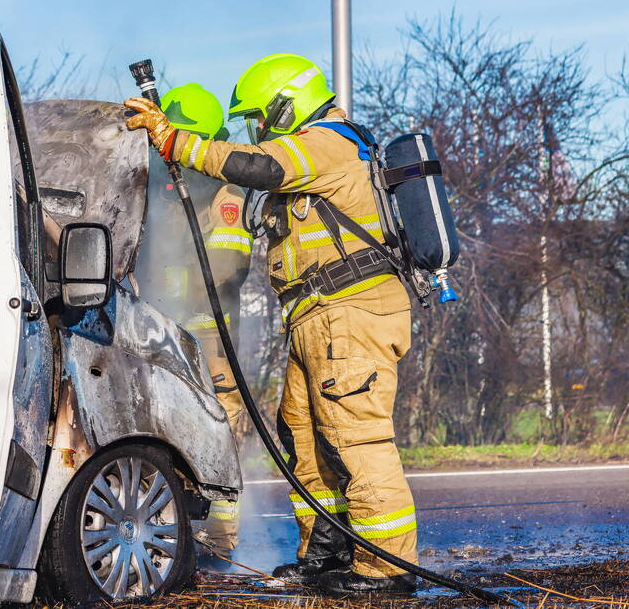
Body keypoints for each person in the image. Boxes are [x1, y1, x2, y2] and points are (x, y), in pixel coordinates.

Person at [125, 54, 417, 596]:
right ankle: (325, 555)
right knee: (305, 439)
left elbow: (256, 167)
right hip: (319, 318)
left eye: (261, 116)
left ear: (286, 104)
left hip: (351, 315)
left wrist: (174, 142)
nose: (258, 128)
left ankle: (388, 572)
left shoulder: (326, 142)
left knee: (357, 440)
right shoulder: (316, 151)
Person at [133, 83, 251, 562]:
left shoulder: (225, 193)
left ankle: (219, 547)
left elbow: (225, 267)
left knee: (218, 427)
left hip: (209, 339)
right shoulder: (160, 190)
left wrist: (165, 275)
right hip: (159, 332)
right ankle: (168, 530)